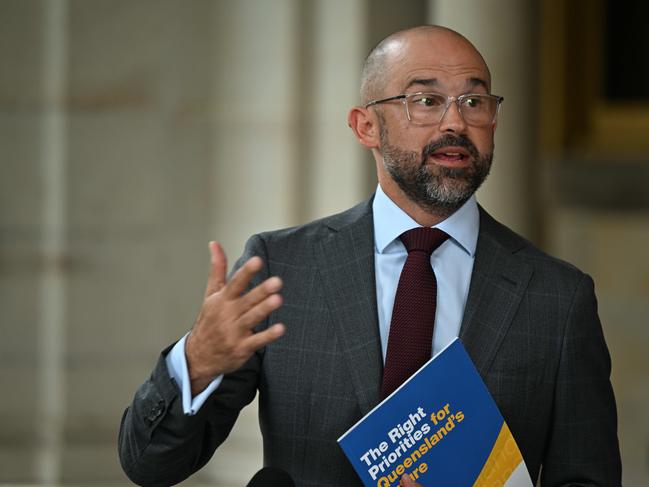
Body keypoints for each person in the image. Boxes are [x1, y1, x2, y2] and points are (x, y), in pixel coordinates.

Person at [118, 25, 621, 486]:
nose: (456, 122)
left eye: (474, 100)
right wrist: (198, 362)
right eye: (426, 100)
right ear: (366, 127)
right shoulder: (283, 268)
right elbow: (150, 464)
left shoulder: (558, 297)